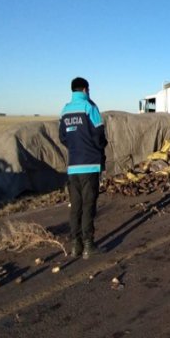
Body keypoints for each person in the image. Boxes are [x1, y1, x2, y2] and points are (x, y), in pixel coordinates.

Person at [59, 77, 108, 258]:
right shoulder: (90, 108)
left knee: (75, 207)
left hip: (73, 167)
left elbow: (63, 137)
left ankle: (75, 246)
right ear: (86, 89)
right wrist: (98, 146)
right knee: (89, 205)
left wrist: (75, 147)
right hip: (90, 165)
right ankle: (89, 245)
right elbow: (99, 135)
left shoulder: (65, 111)